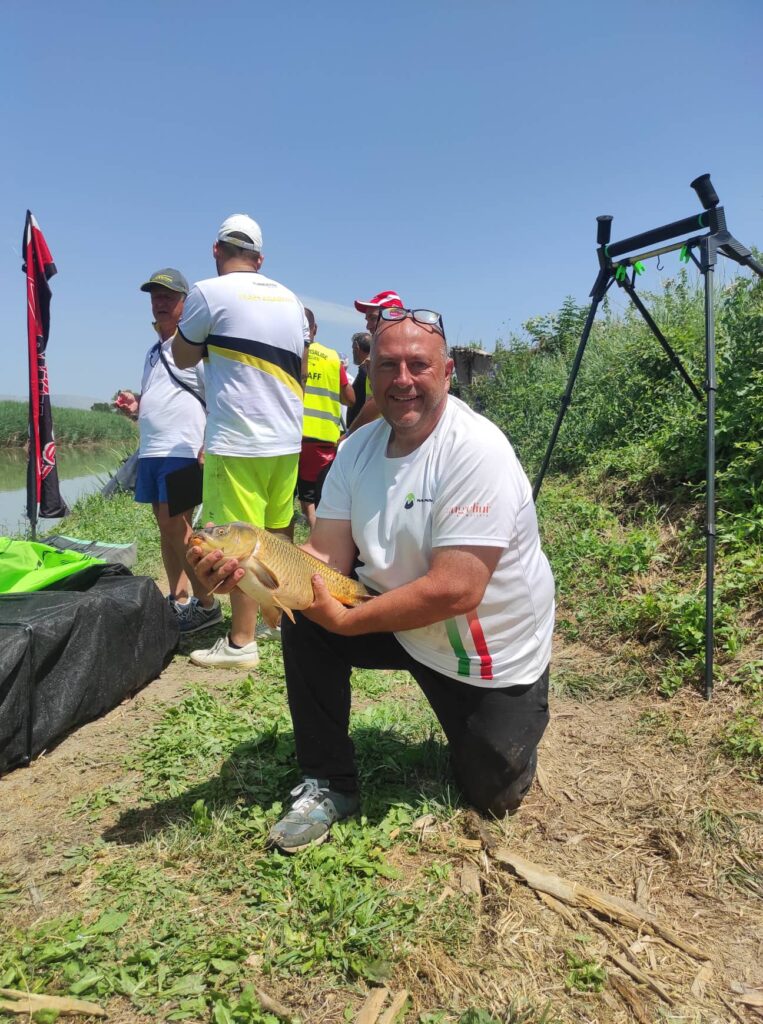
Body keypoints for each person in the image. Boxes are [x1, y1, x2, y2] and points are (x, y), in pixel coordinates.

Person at [190, 307, 555, 853]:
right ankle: (328, 781)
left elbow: (458, 588)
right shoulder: (357, 449)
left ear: (448, 372)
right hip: (393, 614)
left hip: (483, 650)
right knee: (306, 616)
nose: (402, 380)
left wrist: (353, 619)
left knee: (493, 793)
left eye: (418, 365)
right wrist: (248, 579)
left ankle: (509, 727)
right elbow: (322, 558)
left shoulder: (476, 451)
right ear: (370, 373)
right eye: (388, 366)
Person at [172, 214, 310, 669]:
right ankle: (278, 621)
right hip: (287, 437)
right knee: (277, 536)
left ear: (216, 250)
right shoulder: (291, 300)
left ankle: (240, 642)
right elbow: (303, 369)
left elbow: (182, 353)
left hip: (238, 439)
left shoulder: (209, 293)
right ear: (260, 258)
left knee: (234, 542)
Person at [115, 268, 221, 634]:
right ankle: (178, 597)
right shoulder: (151, 352)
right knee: (164, 526)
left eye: (168, 297)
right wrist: (136, 408)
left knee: (179, 525)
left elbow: (216, 397)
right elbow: (162, 397)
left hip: (184, 448)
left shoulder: (195, 347)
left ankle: (208, 603)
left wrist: (209, 443)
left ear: (184, 304)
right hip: (152, 451)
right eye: (155, 297)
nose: (160, 303)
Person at [298, 308, 355, 530]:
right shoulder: (332, 357)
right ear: (315, 329)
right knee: (321, 498)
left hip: (293, 436)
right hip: (325, 439)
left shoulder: (290, 352)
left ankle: (310, 547)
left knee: (298, 501)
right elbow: (350, 398)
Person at [345, 290, 404, 434]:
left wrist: (349, 435)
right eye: (367, 320)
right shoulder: (380, 354)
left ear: (392, 316)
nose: (368, 326)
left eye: (372, 318)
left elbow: (375, 403)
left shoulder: (391, 354)